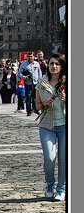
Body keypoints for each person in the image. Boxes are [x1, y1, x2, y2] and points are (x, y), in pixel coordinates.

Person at [35, 53, 66, 202]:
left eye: (57, 64)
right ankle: (50, 184)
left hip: (65, 126)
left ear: (62, 66)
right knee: (50, 158)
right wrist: (43, 105)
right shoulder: (42, 82)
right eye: (51, 63)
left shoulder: (67, 82)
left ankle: (61, 189)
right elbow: (36, 105)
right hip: (47, 125)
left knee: (63, 158)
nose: (54, 66)